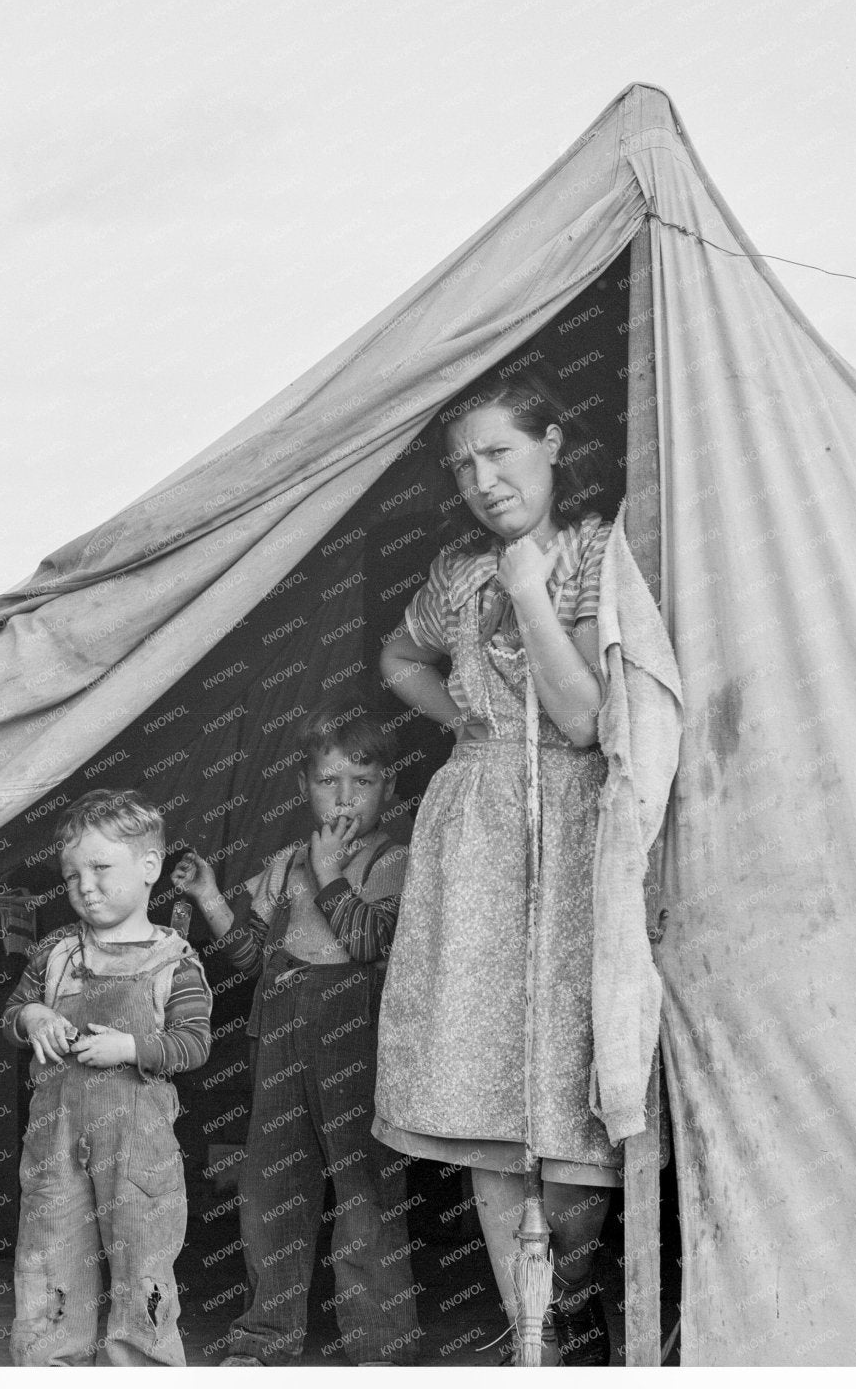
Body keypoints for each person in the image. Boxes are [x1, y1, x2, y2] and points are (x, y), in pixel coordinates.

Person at [373, 373, 637, 1366]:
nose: (481, 479)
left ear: (552, 444)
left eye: (499, 453)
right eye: (462, 465)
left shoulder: (590, 553)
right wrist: (470, 729)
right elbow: (400, 659)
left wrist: (525, 586)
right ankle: (527, 1338)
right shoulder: (451, 571)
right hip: (474, 839)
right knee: (480, 1102)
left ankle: (573, 1312)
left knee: (564, 1110)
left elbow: (579, 719)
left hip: (570, 828)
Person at [171, 702, 423, 1366]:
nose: (343, 798)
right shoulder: (285, 863)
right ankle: (266, 1336)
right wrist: (209, 899)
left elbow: (369, 941)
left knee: (364, 1186)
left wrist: (334, 872)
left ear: (388, 789)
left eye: (361, 783)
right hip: (280, 1030)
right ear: (303, 789)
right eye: (327, 781)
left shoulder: (396, 860)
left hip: (355, 1035)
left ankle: (380, 1346)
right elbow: (252, 957)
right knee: (273, 1189)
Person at [1, 789, 212, 1365]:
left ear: (150, 868)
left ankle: (140, 1366)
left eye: (100, 868)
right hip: (55, 1144)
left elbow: (194, 1044)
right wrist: (32, 1015)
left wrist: (131, 1046)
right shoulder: (55, 954)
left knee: (141, 1264)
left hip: (138, 1152)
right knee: (51, 1259)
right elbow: (9, 1018)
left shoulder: (175, 960)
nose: (84, 886)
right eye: (71, 876)